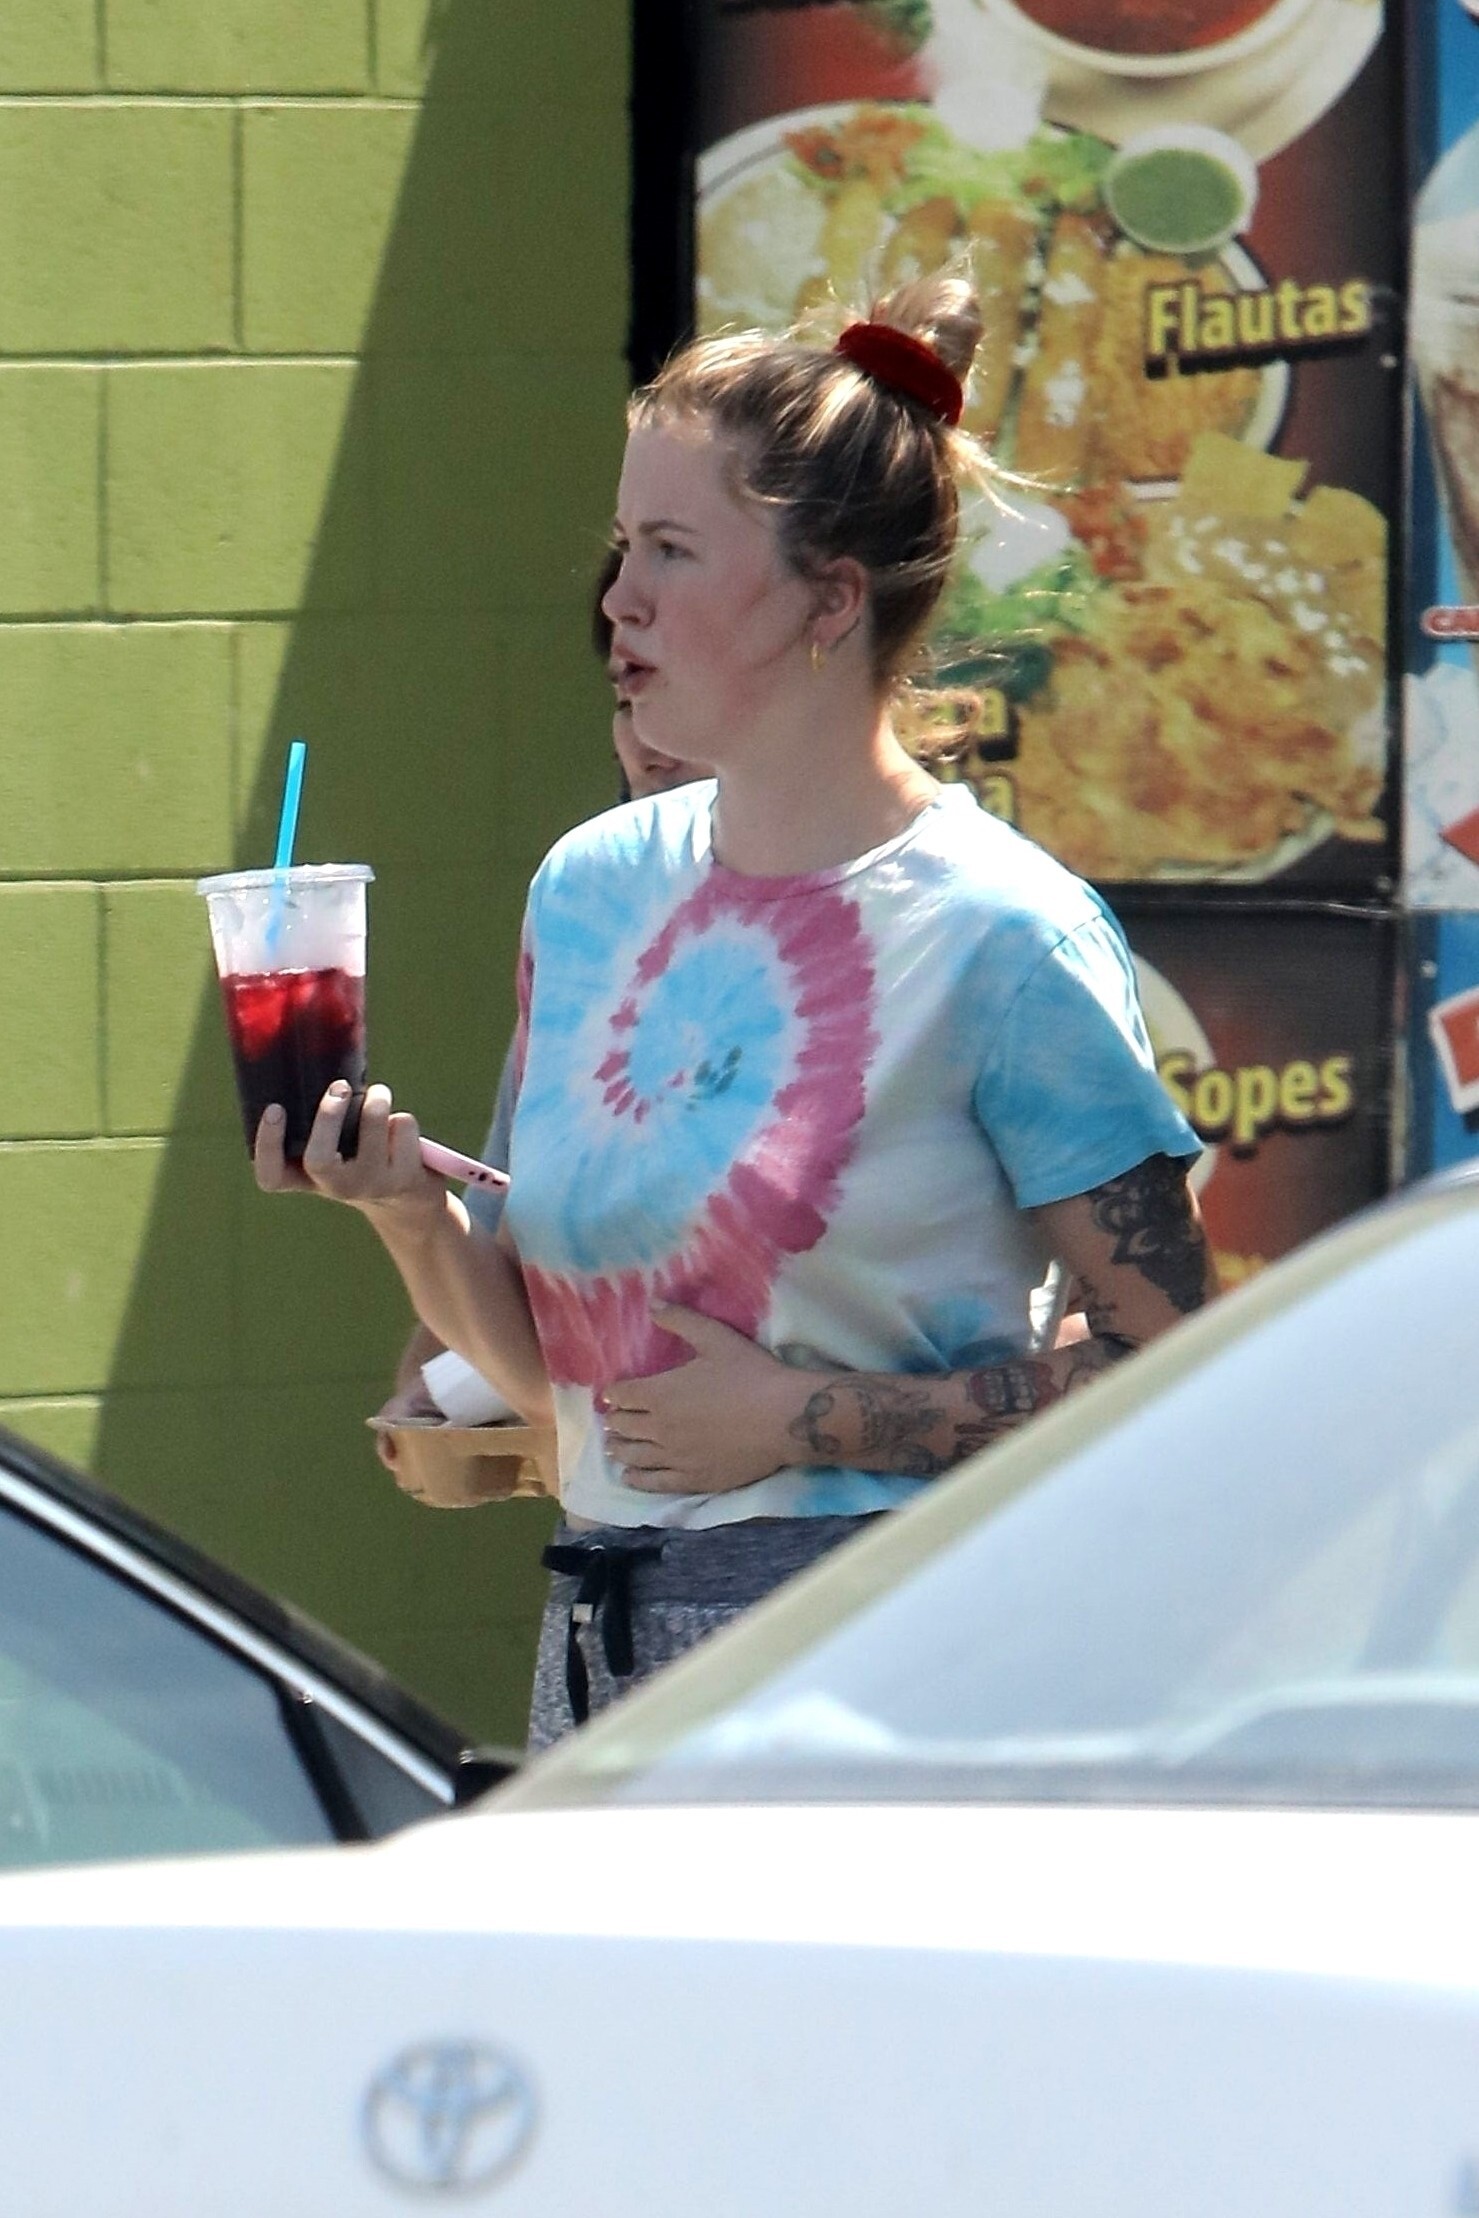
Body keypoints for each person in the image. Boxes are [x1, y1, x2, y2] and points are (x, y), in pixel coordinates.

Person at [256, 270, 1214, 1748]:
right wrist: (404, 1212)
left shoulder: (1002, 935)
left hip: (891, 1679)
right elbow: (567, 1394)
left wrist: (807, 1419)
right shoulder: (589, 888)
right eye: (622, 545)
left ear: (830, 598)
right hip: (605, 1666)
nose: (618, 599)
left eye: (673, 550)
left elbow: (1176, 1375)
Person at [373, 562, 700, 1451]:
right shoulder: (583, 913)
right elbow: (504, 1249)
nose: (648, 742)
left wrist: (805, 1422)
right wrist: (408, 1224)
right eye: (626, 698)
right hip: (610, 1517)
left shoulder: (945, 928)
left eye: (675, 687)